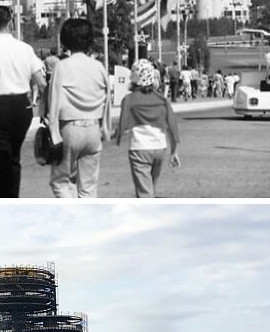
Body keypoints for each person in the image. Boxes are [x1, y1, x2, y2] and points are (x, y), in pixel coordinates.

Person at [0, 5, 47, 198]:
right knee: (14, 156)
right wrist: (45, 111)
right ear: (10, 21)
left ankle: (5, 198)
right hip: (22, 106)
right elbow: (42, 82)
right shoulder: (25, 48)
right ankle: (13, 196)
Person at [47, 17, 110, 198]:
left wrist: (53, 131)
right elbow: (107, 99)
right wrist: (105, 128)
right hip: (93, 128)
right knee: (89, 186)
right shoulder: (98, 67)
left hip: (69, 128)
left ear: (65, 39)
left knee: (61, 181)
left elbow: (55, 99)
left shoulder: (63, 66)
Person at [116, 58, 180, 198]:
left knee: (145, 193)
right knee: (151, 188)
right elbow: (172, 127)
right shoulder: (162, 100)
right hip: (160, 148)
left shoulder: (129, 100)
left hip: (139, 148)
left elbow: (123, 125)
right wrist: (174, 152)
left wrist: (118, 136)